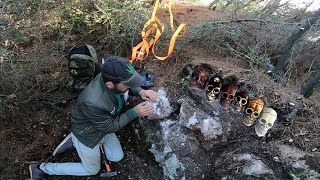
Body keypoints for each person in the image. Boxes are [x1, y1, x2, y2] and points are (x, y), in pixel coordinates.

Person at [29, 56, 157, 179]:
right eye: (127, 84)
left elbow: (128, 82)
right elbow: (110, 126)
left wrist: (141, 91)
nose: (129, 86)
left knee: (116, 157)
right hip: (87, 134)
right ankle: (42, 169)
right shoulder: (93, 101)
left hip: (102, 127)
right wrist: (134, 112)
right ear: (110, 85)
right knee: (92, 170)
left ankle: (73, 141)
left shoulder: (112, 79)